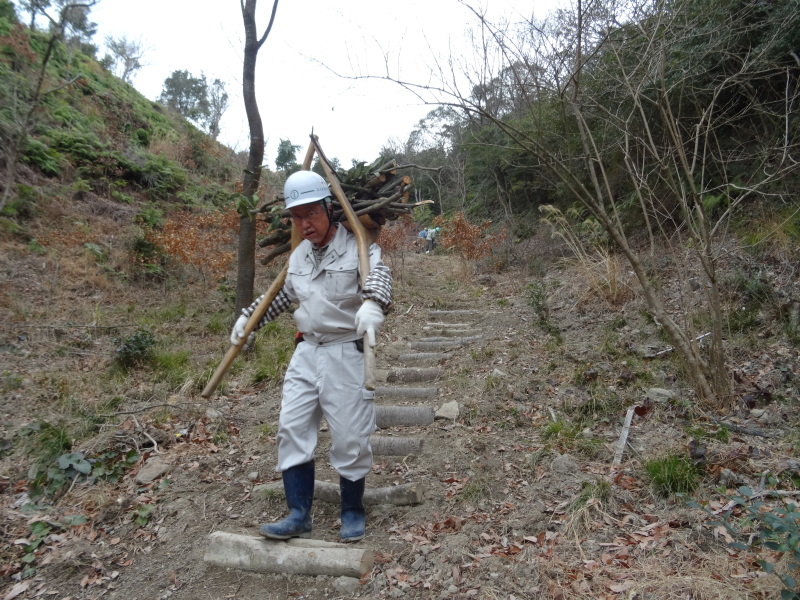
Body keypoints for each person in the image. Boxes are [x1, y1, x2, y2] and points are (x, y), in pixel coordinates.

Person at [230, 170, 393, 542]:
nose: (305, 224)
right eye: (297, 217)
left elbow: (380, 277)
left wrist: (373, 303)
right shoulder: (299, 256)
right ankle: (298, 513)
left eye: (311, 214)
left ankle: (352, 509)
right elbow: (283, 297)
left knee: (350, 436)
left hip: (345, 353)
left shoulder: (358, 247)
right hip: (307, 351)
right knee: (292, 427)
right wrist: (249, 319)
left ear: (328, 209)